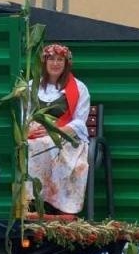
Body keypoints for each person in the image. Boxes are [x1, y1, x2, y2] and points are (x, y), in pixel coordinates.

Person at [25, 43, 92, 215]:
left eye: (60, 60)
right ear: (44, 63)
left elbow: (79, 122)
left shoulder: (78, 88)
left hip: (66, 138)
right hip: (36, 135)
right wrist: (30, 129)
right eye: (52, 59)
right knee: (27, 147)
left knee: (48, 145)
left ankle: (57, 205)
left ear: (66, 63)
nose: (56, 63)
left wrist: (53, 131)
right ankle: (30, 202)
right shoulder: (32, 87)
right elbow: (23, 115)